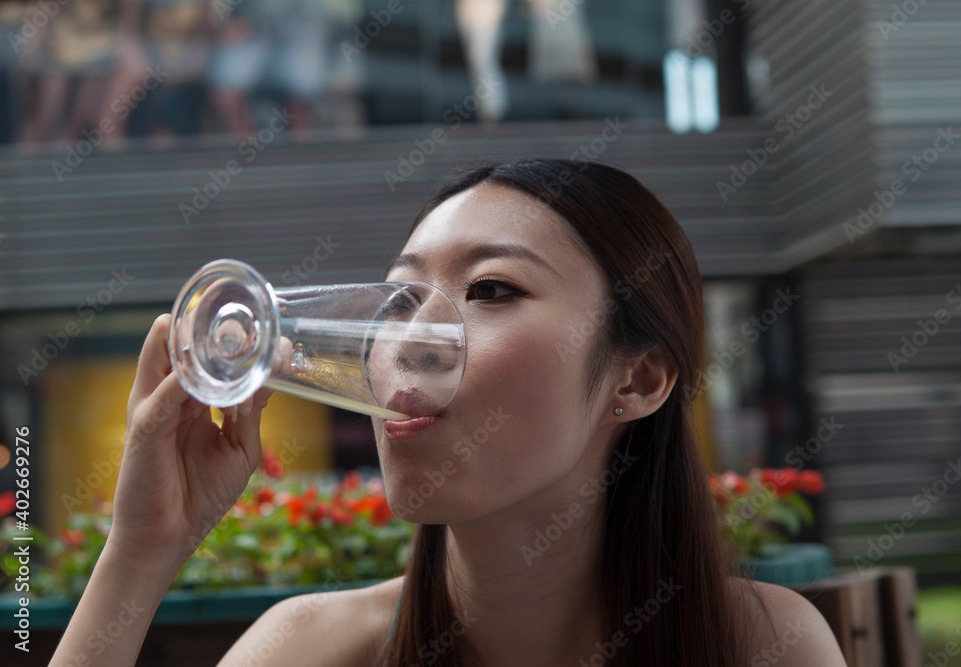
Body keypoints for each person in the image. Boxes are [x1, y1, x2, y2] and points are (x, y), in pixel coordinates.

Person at [49, 158, 848, 666]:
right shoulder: (316, 647)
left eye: (491, 289)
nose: (413, 340)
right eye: (399, 300)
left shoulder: (756, 644)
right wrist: (141, 552)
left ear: (637, 378)